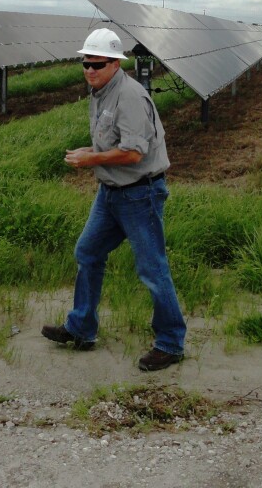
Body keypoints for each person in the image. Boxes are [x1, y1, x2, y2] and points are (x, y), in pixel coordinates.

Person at [41, 28, 187, 371]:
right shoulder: (100, 93)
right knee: (88, 252)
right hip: (110, 194)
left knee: (152, 269)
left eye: (97, 64)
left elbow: (135, 153)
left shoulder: (130, 97)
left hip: (140, 194)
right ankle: (81, 329)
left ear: (116, 64)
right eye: (85, 64)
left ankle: (171, 343)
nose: (89, 70)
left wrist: (91, 159)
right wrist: (92, 152)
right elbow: (114, 144)